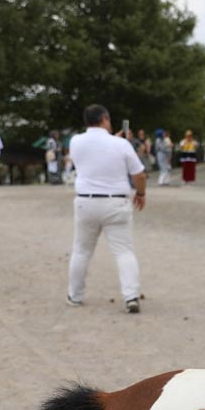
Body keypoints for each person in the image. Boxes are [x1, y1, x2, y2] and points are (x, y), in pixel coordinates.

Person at [66, 104, 147, 313]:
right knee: (124, 252)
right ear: (105, 120)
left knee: (81, 251)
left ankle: (75, 295)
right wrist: (140, 193)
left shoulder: (75, 141)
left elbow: (95, 154)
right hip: (115, 201)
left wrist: (116, 141)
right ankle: (131, 296)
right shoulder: (120, 144)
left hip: (86, 201)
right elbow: (138, 174)